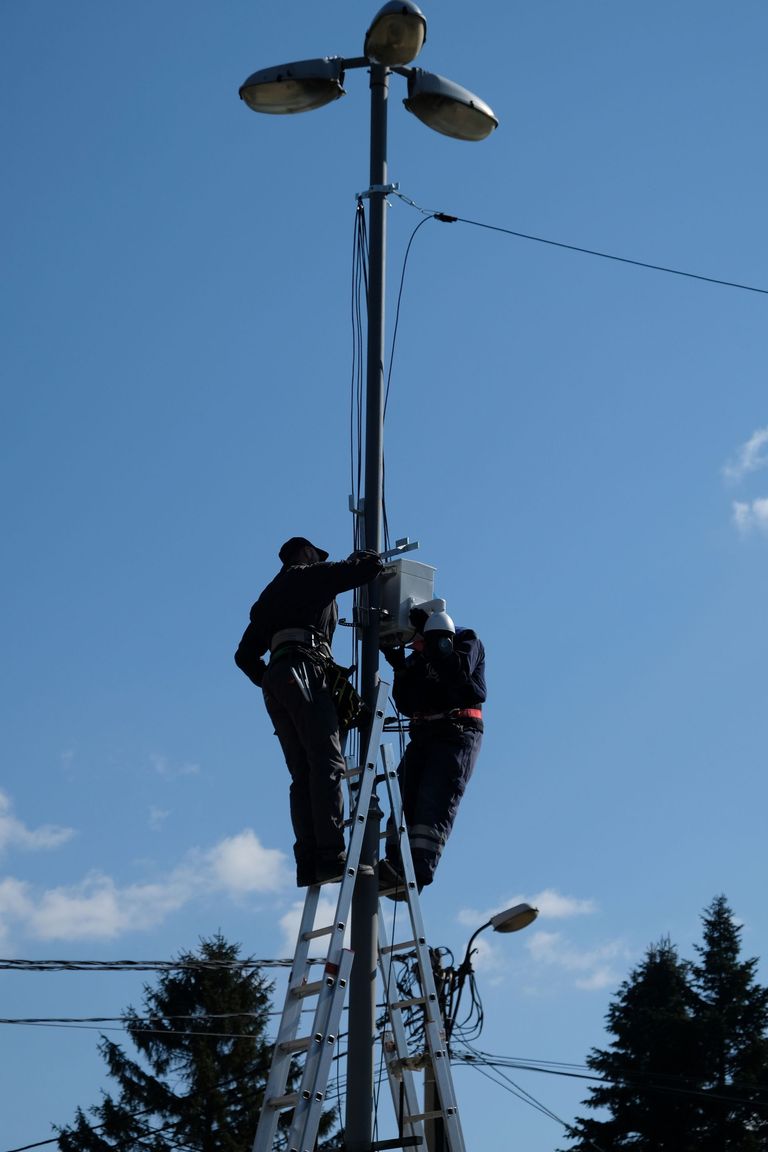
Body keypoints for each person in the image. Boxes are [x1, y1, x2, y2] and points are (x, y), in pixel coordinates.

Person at [235, 536, 382, 887]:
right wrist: (367, 554)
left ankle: (309, 862)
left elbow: (244, 657)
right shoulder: (305, 575)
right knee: (328, 764)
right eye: (317, 555)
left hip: (280, 676)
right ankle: (331, 856)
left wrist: (274, 681)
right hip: (304, 669)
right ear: (306, 552)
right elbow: (366, 569)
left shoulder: (269, 596)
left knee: (303, 773)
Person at [380, 606, 485, 895]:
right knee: (403, 796)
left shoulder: (466, 640)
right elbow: (406, 703)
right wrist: (400, 668)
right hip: (425, 733)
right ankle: (394, 865)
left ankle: (417, 871)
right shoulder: (418, 658)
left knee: (434, 799)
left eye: (417, 640)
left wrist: (437, 642)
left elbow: (459, 676)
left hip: (456, 732)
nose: (414, 647)